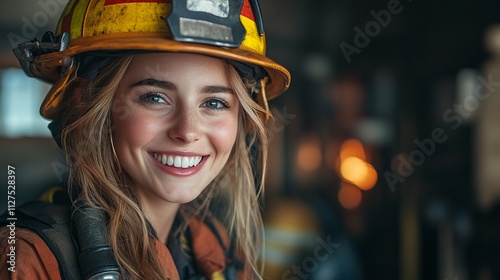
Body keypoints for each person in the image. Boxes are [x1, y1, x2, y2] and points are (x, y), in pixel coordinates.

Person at [0, 0, 290, 279]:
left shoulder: (217, 254)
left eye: (214, 103)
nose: (187, 131)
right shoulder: (28, 260)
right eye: (155, 98)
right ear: (86, 105)